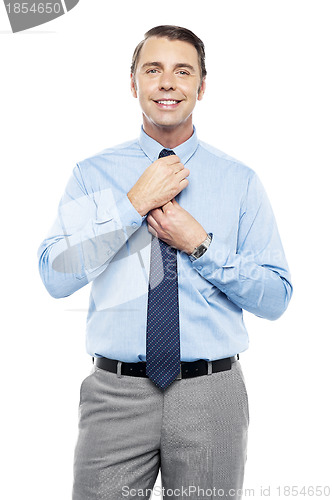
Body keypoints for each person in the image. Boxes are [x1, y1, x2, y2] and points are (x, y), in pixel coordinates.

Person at [38, 25, 293, 500]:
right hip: (114, 395)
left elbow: (277, 297)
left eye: (183, 71)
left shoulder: (239, 181)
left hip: (211, 393)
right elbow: (54, 275)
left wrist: (201, 244)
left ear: (202, 86)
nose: (167, 82)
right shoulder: (92, 174)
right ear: (133, 83)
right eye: (152, 70)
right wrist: (130, 206)